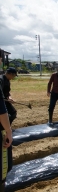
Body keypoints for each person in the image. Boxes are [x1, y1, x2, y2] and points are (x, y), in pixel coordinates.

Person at [0, 56, 13, 191]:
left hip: (4, 103)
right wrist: (8, 130)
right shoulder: (1, 80)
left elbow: (6, 93)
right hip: (2, 110)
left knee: (12, 113)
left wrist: (9, 98)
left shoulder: (6, 82)